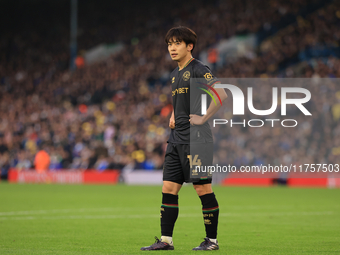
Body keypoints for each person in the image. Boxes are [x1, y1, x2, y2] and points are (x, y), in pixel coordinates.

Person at [141, 26, 228, 251]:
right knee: (169, 188)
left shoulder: (199, 69)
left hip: (197, 139)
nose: (172, 48)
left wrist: (204, 117)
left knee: (202, 189)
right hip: (176, 139)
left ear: (189, 46)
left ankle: (212, 241)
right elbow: (182, 101)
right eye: (169, 44)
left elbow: (222, 94)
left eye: (177, 43)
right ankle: (166, 241)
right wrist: (173, 113)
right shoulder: (174, 75)